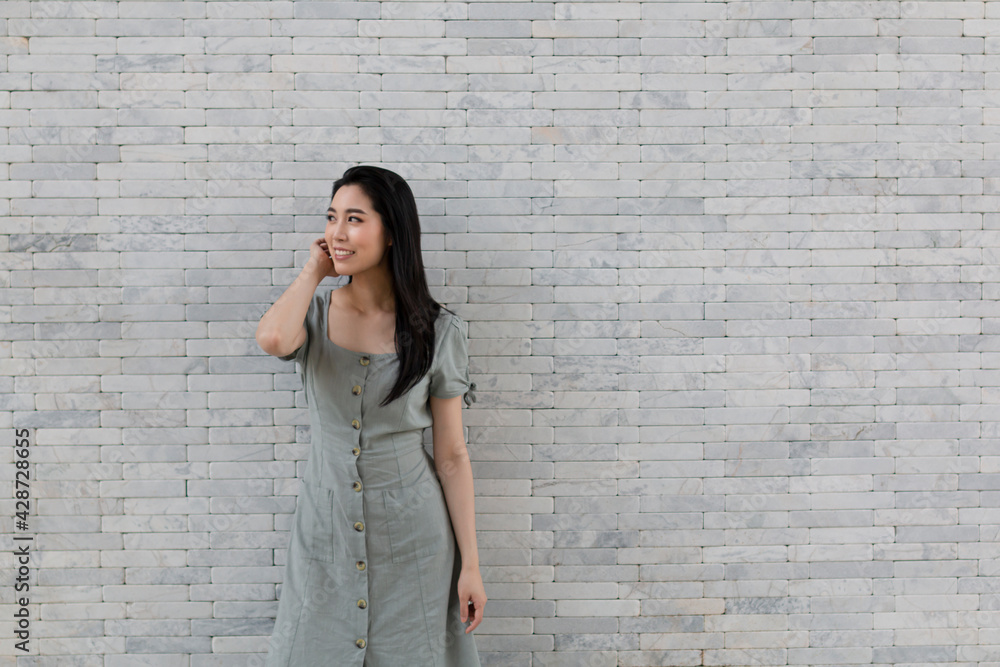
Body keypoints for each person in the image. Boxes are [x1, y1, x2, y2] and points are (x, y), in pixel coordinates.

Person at [255, 165, 485, 666]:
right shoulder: (312, 315)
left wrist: (470, 564)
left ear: (392, 231)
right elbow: (272, 340)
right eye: (332, 217)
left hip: (415, 540)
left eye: (354, 219)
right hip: (324, 536)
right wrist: (314, 270)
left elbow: (451, 456)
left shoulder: (439, 331)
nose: (337, 232)